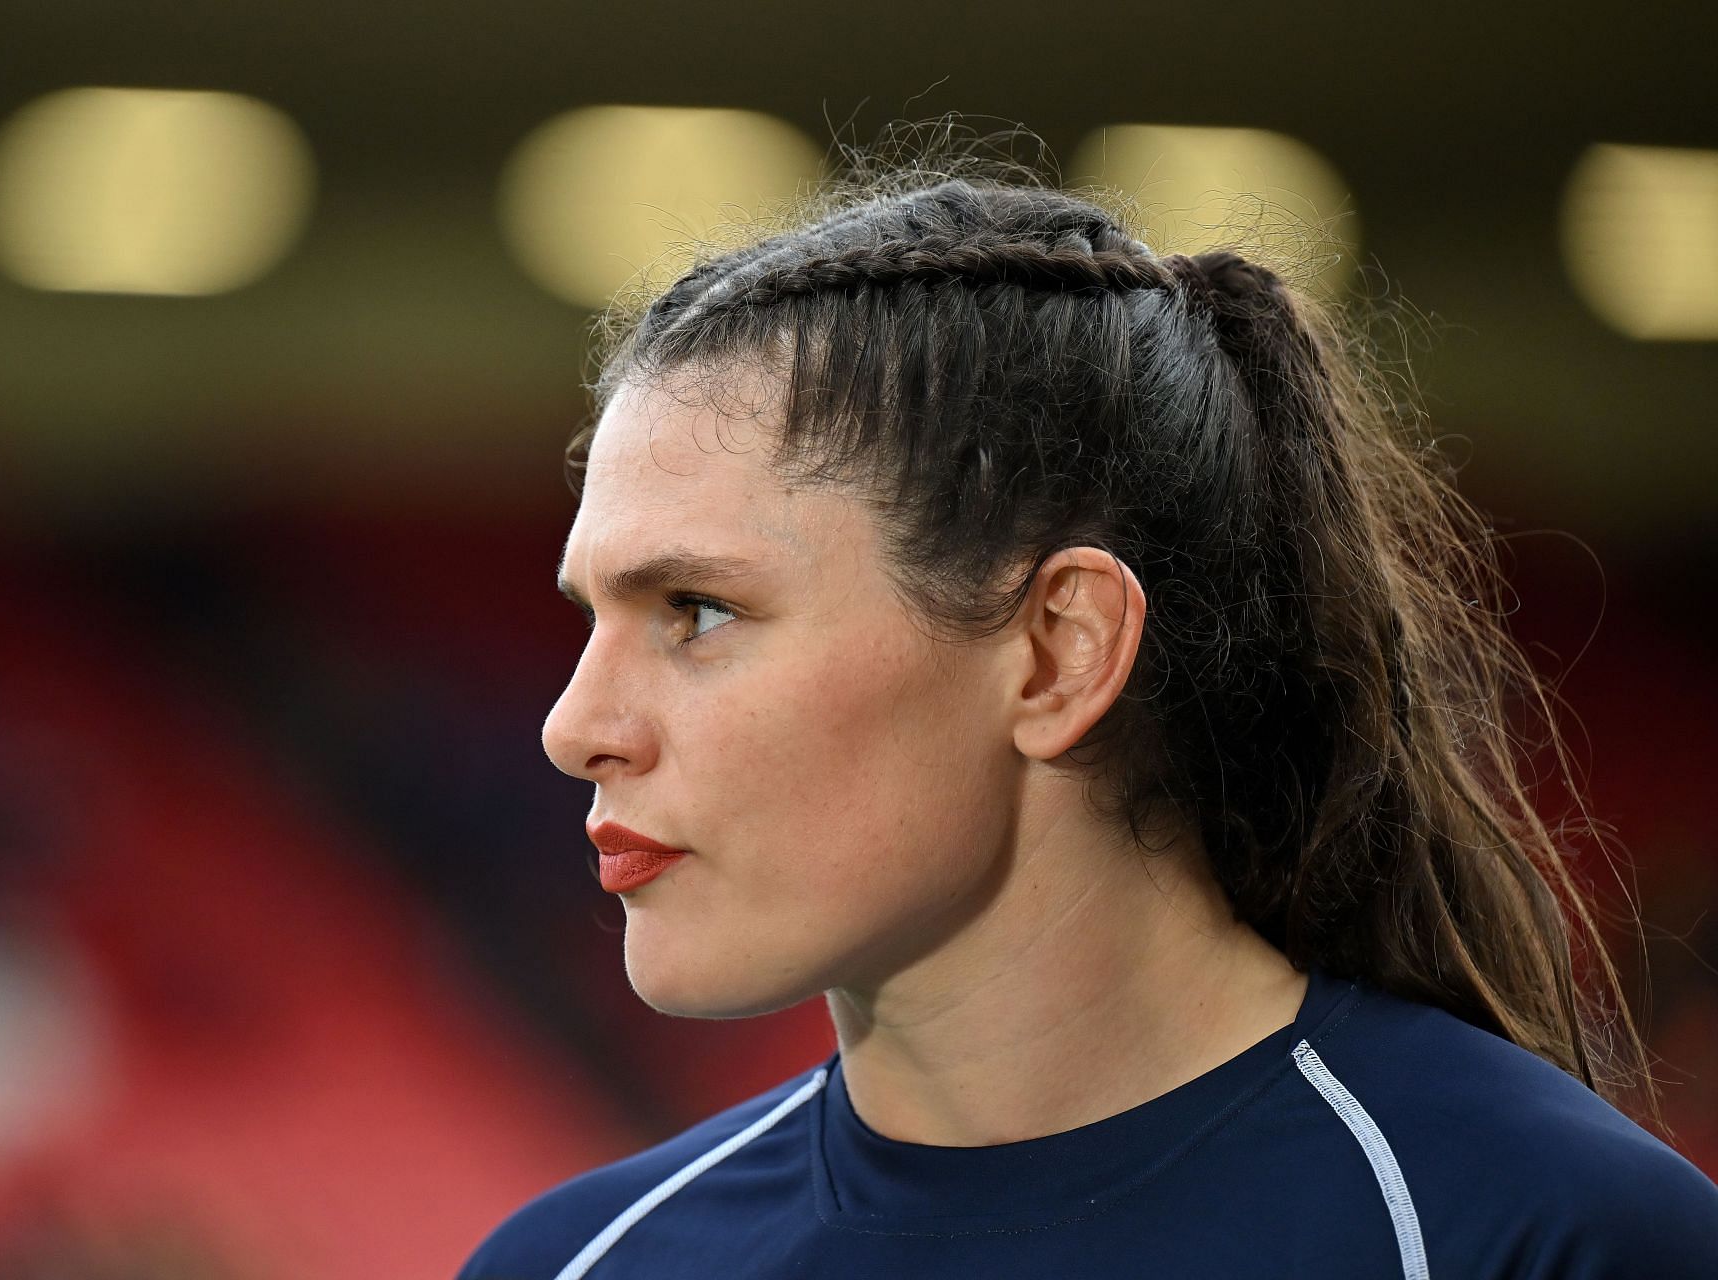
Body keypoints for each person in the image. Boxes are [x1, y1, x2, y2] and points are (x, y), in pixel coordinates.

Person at [459, 150, 1718, 1277]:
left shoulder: (1546, 1237)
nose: (575, 726)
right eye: (588, 619)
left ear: (1058, 651)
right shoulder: (572, 1262)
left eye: (697, 609)